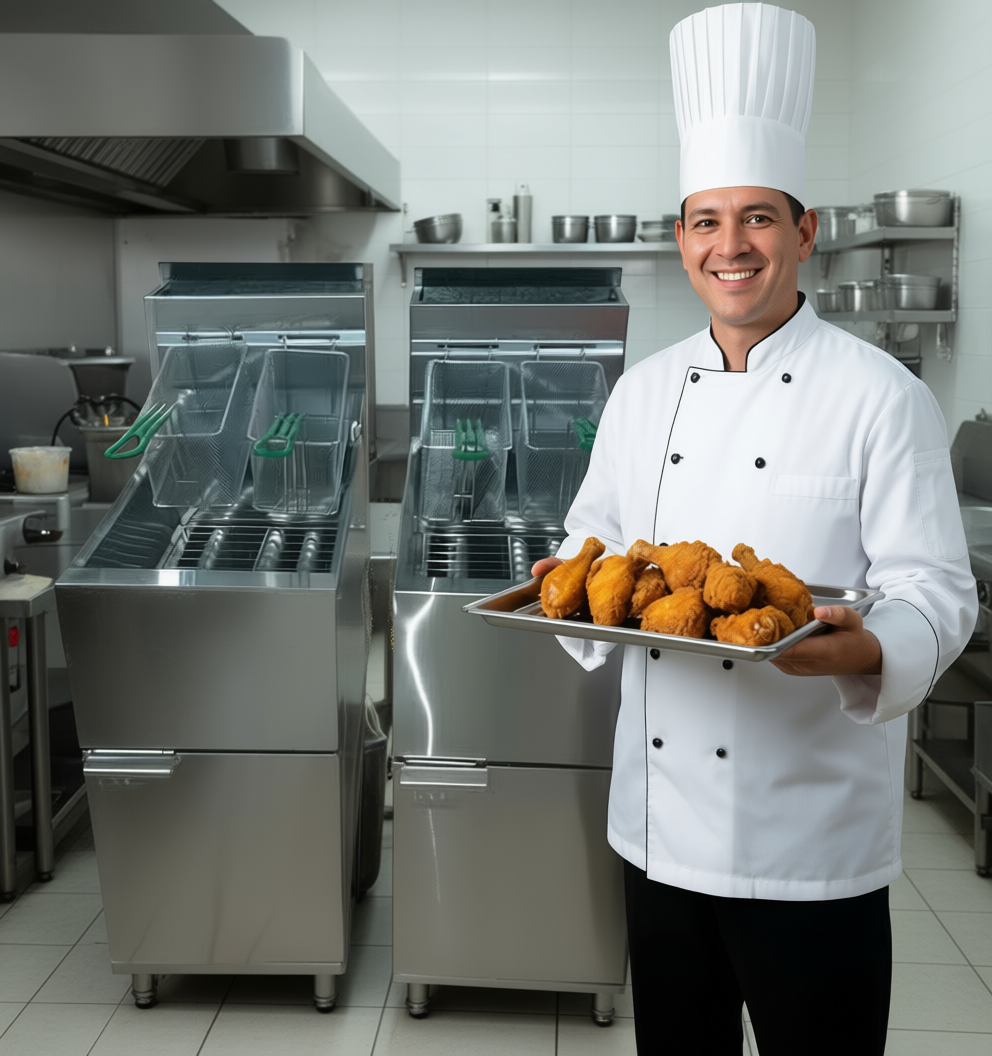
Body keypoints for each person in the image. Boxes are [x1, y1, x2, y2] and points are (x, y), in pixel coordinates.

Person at [532, 6, 977, 1055]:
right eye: (705, 221)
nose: (729, 247)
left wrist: (863, 646)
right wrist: (566, 574)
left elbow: (936, 590)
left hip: (810, 845)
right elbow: (595, 538)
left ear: (803, 232)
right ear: (681, 237)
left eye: (757, 219)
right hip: (658, 832)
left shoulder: (881, 396)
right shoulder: (642, 393)